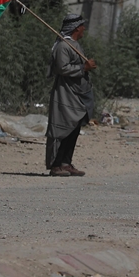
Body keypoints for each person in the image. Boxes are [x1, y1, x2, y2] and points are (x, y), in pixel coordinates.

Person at [45, 14, 97, 177]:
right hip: (65, 94)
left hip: (77, 94)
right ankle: (56, 165)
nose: (84, 29)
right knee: (62, 128)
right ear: (76, 28)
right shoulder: (63, 46)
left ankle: (66, 163)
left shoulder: (74, 45)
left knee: (74, 127)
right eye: (82, 26)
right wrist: (84, 69)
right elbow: (62, 68)